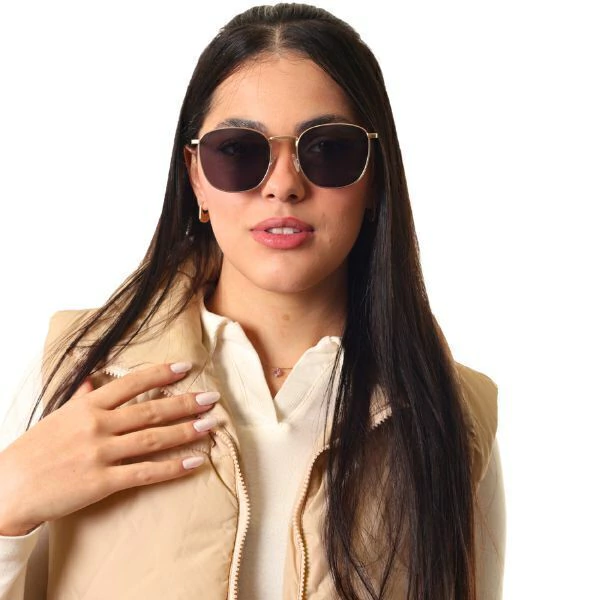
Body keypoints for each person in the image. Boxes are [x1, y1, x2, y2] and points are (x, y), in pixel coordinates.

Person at [0, 3, 505, 599]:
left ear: (374, 177)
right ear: (195, 176)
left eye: (329, 149)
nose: (284, 184)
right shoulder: (85, 372)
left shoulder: (449, 413)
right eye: (239, 150)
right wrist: (8, 498)